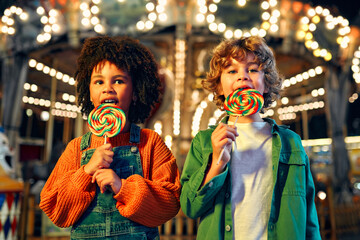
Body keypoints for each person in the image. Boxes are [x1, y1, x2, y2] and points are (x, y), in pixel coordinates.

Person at [180, 36, 321, 240]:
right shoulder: (204, 141)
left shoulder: (291, 142)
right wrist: (217, 163)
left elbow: (308, 214)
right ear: (219, 86)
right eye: (231, 71)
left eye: (253, 70)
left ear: (266, 84)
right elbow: (190, 207)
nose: (243, 76)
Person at [40, 36, 181, 239]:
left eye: (118, 80)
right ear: (89, 92)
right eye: (98, 81)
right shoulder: (77, 148)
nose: (107, 88)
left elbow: (170, 202)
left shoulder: (150, 142)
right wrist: (87, 171)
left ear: (135, 91)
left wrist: (122, 187)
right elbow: (54, 209)